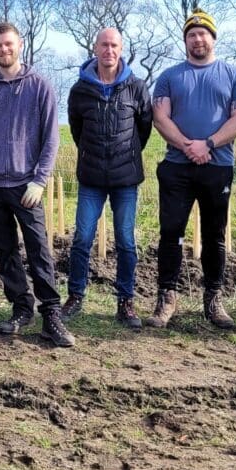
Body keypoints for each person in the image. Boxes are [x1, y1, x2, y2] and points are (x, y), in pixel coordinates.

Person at [0, 22, 74, 348]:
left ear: (19, 44)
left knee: (39, 250)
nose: (4, 50)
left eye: (9, 44)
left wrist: (39, 181)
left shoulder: (40, 87)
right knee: (5, 252)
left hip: (27, 188)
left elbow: (51, 140)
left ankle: (51, 315)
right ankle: (20, 307)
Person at [148, 8, 236, 329]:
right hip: (177, 168)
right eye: (191, 34)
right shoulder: (169, 76)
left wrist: (207, 144)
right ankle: (166, 298)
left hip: (217, 167)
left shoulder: (235, 75)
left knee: (214, 236)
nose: (197, 38)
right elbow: (160, 117)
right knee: (170, 234)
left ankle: (213, 299)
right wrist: (186, 146)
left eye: (203, 33)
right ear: (185, 40)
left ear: (213, 37)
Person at [63, 28, 153, 328]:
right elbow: (77, 131)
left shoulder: (136, 88)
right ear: (95, 47)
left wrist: (124, 156)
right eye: (104, 45)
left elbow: (144, 129)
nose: (109, 50)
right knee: (82, 238)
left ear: (121, 48)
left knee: (126, 241)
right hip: (90, 179)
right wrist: (93, 155)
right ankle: (75, 296)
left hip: (126, 179)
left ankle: (126, 303)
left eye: (114, 45)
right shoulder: (79, 90)